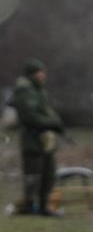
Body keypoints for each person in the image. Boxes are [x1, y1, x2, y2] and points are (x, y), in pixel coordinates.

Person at [10, 58, 64, 216]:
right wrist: (52, 122)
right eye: (40, 73)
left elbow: (44, 111)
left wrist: (56, 124)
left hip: (45, 140)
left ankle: (43, 206)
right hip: (32, 140)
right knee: (33, 175)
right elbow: (30, 116)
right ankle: (29, 206)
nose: (43, 76)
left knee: (48, 174)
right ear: (33, 74)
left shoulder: (39, 90)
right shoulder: (25, 90)